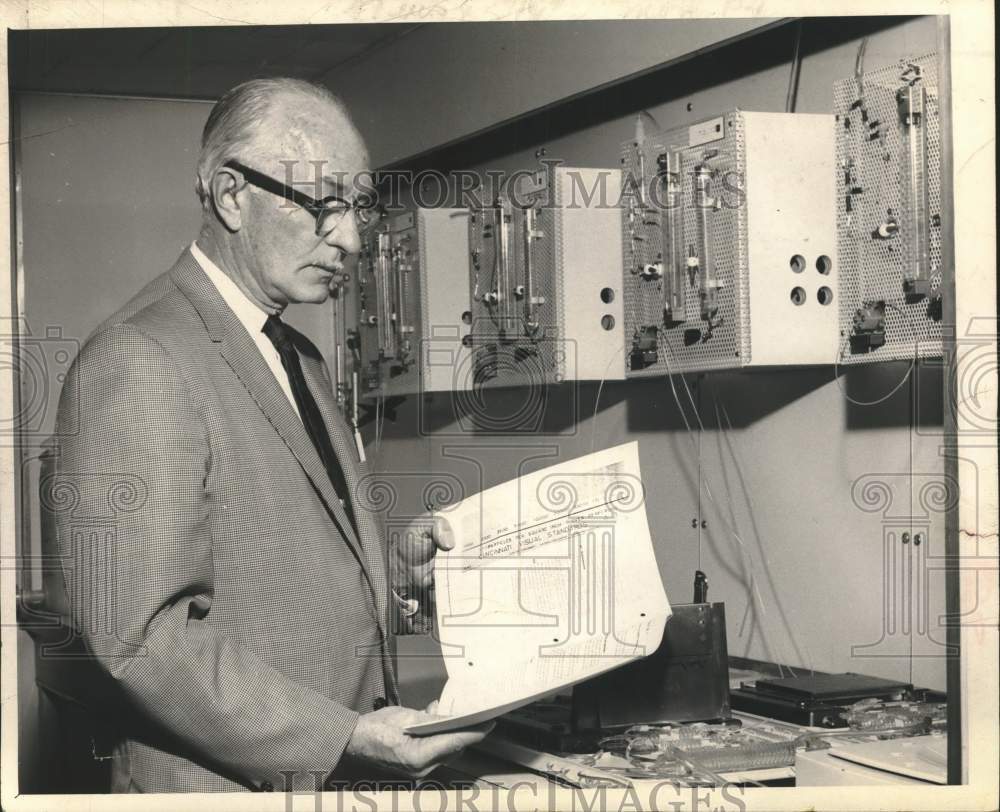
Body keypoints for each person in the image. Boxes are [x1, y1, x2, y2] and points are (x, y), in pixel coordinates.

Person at [50, 77, 490, 793]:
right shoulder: (139, 359)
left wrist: (392, 578)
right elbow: (142, 641)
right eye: (325, 206)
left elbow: (274, 564)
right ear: (230, 195)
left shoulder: (300, 357)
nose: (348, 238)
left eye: (358, 209)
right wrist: (343, 736)